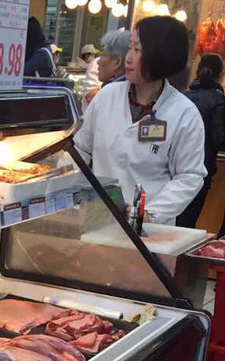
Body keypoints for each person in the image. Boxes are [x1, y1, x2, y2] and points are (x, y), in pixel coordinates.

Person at [73, 16, 206, 225]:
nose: (128, 58)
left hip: (150, 230)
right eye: (130, 48)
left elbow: (190, 176)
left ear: (161, 55)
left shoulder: (184, 113)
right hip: (98, 219)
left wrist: (148, 214)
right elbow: (80, 150)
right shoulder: (107, 96)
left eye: (138, 50)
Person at [177, 55, 225, 227]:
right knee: (188, 222)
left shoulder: (184, 96)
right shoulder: (218, 100)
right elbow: (218, 138)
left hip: (176, 165)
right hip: (201, 168)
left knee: (175, 218)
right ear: (220, 74)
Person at [83, 28, 130, 109]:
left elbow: (89, 97)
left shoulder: (109, 96)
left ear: (117, 62)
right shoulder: (129, 93)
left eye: (103, 55)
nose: (98, 62)